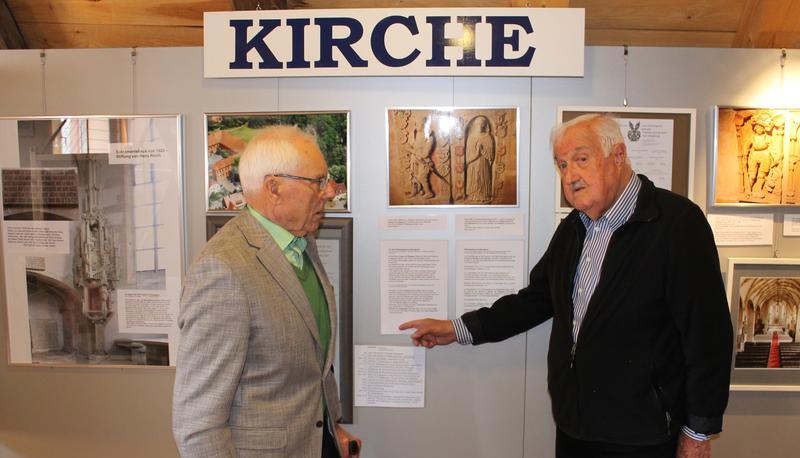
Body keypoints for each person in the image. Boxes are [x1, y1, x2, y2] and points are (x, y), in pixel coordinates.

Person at [400, 113, 733, 458]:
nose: (570, 176)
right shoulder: (575, 227)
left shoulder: (676, 223)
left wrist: (698, 431)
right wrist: (458, 328)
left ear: (617, 157)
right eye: (562, 165)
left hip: (642, 435)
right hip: (576, 427)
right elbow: (535, 300)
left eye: (581, 159)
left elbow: (708, 336)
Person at [173, 125, 361, 458]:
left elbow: (312, 360)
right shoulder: (223, 270)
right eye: (317, 182)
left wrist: (330, 429)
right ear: (273, 188)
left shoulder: (301, 245)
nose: (329, 192)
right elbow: (198, 423)